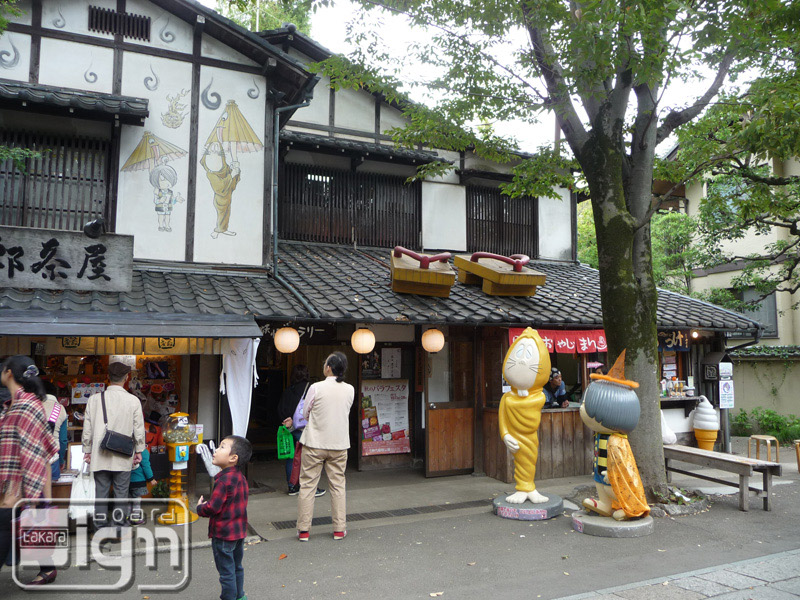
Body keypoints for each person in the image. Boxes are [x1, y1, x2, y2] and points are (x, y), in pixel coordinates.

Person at [0, 356, 60, 585]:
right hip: (14, 482)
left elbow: (38, 454)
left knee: (11, 524)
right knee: (23, 526)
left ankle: (46, 568)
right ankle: (47, 568)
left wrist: (38, 498)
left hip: (21, 485)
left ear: (9, 373)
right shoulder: (11, 405)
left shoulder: (26, 406)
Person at [82, 362, 146, 537]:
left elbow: (87, 428)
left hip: (99, 454)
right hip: (123, 454)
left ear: (108, 378)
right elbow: (138, 428)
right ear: (126, 378)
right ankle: (118, 530)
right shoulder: (133, 401)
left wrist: (87, 449)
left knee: (100, 494)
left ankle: (100, 531)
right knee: (121, 493)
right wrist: (139, 450)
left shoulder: (94, 399)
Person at [296, 352, 354, 542]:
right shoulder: (350, 389)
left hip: (315, 442)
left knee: (307, 485)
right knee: (338, 486)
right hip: (339, 444)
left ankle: (304, 531)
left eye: (325, 362)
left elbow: (305, 413)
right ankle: (339, 529)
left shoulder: (316, 387)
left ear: (328, 367)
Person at [196, 435, 252, 600]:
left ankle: (229, 597)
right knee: (236, 567)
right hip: (239, 532)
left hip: (223, 534)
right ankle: (240, 596)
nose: (216, 450)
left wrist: (200, 507)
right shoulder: (240, 478)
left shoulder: (223, 481)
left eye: (222, 447)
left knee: (226, 572)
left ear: (233, 458)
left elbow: (213, 507)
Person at [278, 365, 325, 497]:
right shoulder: (311, 389)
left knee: (291, 457)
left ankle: (292, 487)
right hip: (305, 429)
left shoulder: (289, 390)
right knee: (309, 457)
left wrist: (287, 420)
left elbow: (280, 409)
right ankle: (311, 488)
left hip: (290, 428)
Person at [42, 381, 68, 482]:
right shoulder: (60, 409)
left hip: (33, 458)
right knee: (52, 493)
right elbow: (63, 440)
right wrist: (61, 460)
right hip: (53, 459)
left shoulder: (33, 406)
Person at [128, 447, 156, 525]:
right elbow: (146, 466)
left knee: (128, 501)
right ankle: (135, 518)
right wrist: (151, 478)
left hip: (126, 481)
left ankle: (127, 517)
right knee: (136, 501)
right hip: (138, 480)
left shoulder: (126, 448)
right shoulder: (143, 452)